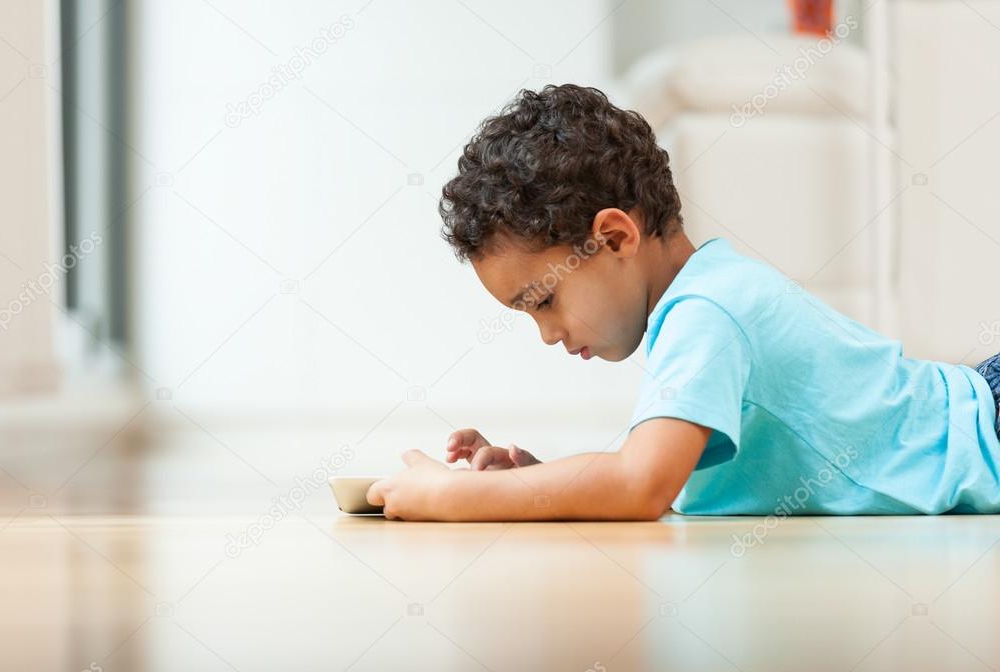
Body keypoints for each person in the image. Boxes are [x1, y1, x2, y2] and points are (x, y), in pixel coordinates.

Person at [366, 84, 1000, 521]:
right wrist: (533, 480)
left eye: (544, 299)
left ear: (614, 237)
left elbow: (641, 485)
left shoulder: (708, 312)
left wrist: (454, 498)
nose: (548, 334)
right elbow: (648, 476)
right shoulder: (702, 300)